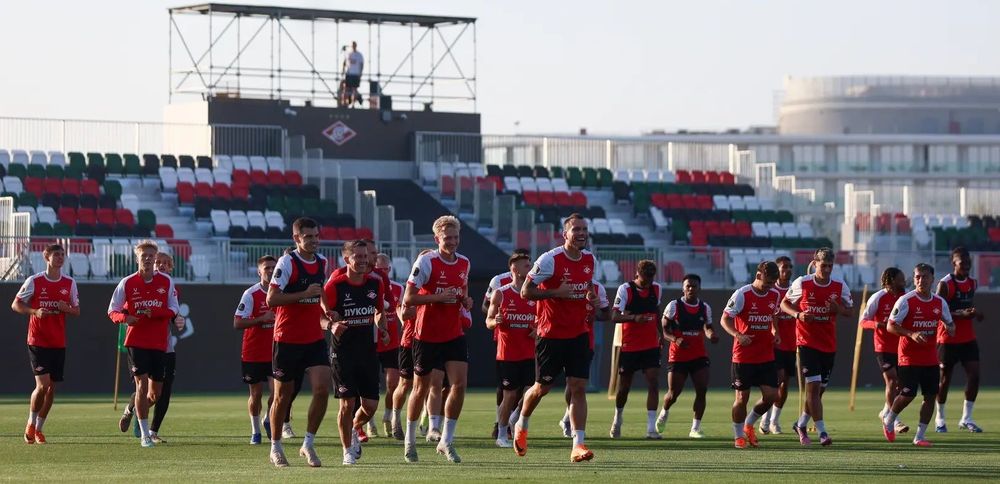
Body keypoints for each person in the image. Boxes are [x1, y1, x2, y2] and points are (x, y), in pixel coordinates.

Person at [515, 213, 597, 463]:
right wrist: (555, 292)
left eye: (584, 229)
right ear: (565, 234)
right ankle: (521, 423)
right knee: (542, 388)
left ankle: (578, 444)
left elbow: (585, 287)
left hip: (578, 333)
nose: (581, 233)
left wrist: (590, 297)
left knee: (578, 387)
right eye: (576, 230)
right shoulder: (550, 259)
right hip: (551, 335)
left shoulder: (590, 259)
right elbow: (525, 292)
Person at [403, 216, 472, 463]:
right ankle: (410, 440)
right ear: (437, 239)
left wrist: (465, 300)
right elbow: (409, 298)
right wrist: (437, 297)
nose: (452, 242)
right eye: (447, 238)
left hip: (453, 333)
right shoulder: (427, 261)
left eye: (455, 237)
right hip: (426, 334)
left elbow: (462, 290)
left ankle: (446, 440)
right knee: (420, 388)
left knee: (459, 385)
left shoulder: (464, 262)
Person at [266, 217, 331, 467]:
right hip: (287, 338)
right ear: (296, 238)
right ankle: (275, 446)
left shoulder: (322, 261)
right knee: (283, 396)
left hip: (314, 338)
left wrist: (327, 310)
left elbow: (320, 290)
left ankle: (308, 443)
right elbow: (272, 299)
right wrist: (303, 294)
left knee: (322, 389)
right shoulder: (288, 262)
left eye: (316, 236)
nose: (314, 241)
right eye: (308, 237)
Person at [107, 240, 179, 448]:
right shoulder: (127, 283)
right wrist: (125, 318)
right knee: (141, 385)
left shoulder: (166, 282)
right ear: (137, 258)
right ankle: (145, 435)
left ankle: (130, 410)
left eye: (151, 255)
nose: (147, 259)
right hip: (136, 341)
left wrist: (155, 313)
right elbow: (112, 310)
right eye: (144, 256)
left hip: (159, 343)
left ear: (155, 258)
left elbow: (174, 309)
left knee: (155, 394)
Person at [324, 240, 389, 465]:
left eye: (365, 256)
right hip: (343, 353)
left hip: (368, 352)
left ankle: (353, 428)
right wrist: (331, 325)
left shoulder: (375, 283)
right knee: (347, 404)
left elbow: (379, 311)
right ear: (346, 259)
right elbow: (320, 316)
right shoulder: (335, 285)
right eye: (358, 257)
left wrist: (383, 328)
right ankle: (347, 451)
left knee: (370, 406)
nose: (363, 260)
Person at [780, 247, 852, 446]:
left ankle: (801, 424)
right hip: (806, 343)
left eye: (830, 266)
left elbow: (850, 311)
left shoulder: (839, 286)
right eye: (823, 265)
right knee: (812, 388)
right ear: (815, 263)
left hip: (828, 345)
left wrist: (839, 309)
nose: (827, 270)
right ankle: (822, 432)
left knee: (818, 392)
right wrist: (798, 315)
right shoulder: (802, 283)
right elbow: (784, 304)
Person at [12, 244, 80, 445]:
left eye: (62, 254)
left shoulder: (69, 283)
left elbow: (76, 311)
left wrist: (66, 308)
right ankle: (30, 423)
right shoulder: (34, 281)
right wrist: (35, 311)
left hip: (58, 342)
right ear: (46, 257)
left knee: (51, 389)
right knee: (42, 386)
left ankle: (39, 429)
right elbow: (16, 304)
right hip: (38, 340)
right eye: (56, 254)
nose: (60, 257)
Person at [882, 263, 955, 447]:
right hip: (908, 357)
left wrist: (951, 327)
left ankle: (919, 436)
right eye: (917, 277)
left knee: (930, 396)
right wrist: (911, 334)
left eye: (924, 277)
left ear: (932, 279)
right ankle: (889, 419)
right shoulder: (906, 301)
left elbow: (949, 323)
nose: (921, 280)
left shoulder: (939, 302)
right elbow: (891, 326)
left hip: (930, 358)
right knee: (908, 395)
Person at [721, 261, 782, 449]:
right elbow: (725, 319)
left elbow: (773, 314)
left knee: (772, 396)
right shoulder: (742, 294)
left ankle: (749, 424)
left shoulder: (775, 294)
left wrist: (775, 330)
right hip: (743, 356)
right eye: (767, 282)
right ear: (758, 276)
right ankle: (738, 435)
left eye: (773, 283)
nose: (770, 287)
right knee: (742, 398)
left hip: (765, 354)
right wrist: (738, 335)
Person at [485, 252, 536, 448]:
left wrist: (538, 330)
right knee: (510, 395)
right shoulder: (501, 293)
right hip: (507, 353)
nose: (530, 269)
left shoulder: (534, 294)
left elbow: (542, 320)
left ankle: (514, 418)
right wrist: (495, 322)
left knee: (531, 392)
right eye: (526, 266)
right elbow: (489, 320)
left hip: (530, 352)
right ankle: (502, 434)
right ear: (514, 268)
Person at [657, 273, 716, 439]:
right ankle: (664, 413)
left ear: (699, 288)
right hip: (678, 356)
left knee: (702, 390)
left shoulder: (705, 308)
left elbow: (708, 327)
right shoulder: (673, 306)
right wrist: (675, 339)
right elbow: (664, 330)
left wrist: (711, 335)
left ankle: (695, 428)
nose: (691, 289)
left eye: (694, 286)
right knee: (673, 394)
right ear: (683, 288)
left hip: (699, 356)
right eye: (688, 286)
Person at [610, 260, 664, 440]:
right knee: (624, 387)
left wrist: (660, 333)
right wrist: (634, 318)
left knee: (653, 382)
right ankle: (617, 418)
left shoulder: (657, 289)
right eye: (645, 278)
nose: (648, 282)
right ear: (637, 274)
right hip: (630, 346)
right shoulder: (625, 289)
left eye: (651, 278)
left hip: (651, 345)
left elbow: (656, 311)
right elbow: (614, 316)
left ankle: (651, 428)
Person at [935, 247, 985, 433]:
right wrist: (960, 314)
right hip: (947, 338)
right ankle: (940, 418)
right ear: (953, 263)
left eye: (968, 262)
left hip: (968, 338)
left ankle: (966, 418)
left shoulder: (973, 283)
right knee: (944, 379)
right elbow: (937, 310)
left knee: (975, 375)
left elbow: (969, 307)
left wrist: (975, 314)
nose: (966, 265)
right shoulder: (945, 284)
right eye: (962, 262)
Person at [234, 255, 278, 445]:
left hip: (276, 351)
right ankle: (255, 431)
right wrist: (260, 319)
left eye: (273, 267)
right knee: (256, 394)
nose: (271, 271)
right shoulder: (251, 294)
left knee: (278, 393)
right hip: (253, 352)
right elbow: (237, 323)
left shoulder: (282, 293)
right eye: (267, 268)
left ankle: (268, 418)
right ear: (259, 271)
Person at [861, 267, 910, 434]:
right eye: (901, 279)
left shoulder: (906, 297)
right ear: (892, 280)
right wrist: (877, 324)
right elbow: (863, 321)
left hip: (902, 347)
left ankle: (885, 411)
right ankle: (893, 420)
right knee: (892, 380)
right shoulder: (878, 297)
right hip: (883, 347)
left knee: (901, 385)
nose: (904, 282)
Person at [146, 252, 188, 443]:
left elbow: (173, 311)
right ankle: (132, 409)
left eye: (166, 263)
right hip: (143, 344)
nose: (161, 266)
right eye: (158, 262)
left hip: (165, 346)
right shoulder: (141, 282)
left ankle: (153, 431)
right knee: (146, 390)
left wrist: (178, 319)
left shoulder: (171, 287)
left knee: (164, 391)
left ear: (171, 268)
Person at [558, 281, 610, 438]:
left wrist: (595, 312)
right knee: (544, 386)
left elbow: (606, 314)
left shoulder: (597, 288)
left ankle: (570, 420)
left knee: (576, 383)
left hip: (585, 341)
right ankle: (520, 420)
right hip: (560, 338)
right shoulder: (563, 282)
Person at [393, 249, 433, 440]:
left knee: (430, 384)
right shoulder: (410, 288)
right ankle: (395, 418)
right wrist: (426, 305)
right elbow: (403, 312)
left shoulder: (436, 287)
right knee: (405, 384)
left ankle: (427, 421)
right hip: (409, 341)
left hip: (430, 340)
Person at [759, 256, 794, 435]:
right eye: (783, 267)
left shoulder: (796, 289)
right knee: (776, 381)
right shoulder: (772, 291)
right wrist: (774, 331)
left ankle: (774, 420)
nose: (787, 270)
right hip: (776, 345)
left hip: (793, 345)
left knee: (785, 384)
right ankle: (765, 419)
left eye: (789, 267)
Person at [374, 253, 404, 438]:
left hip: (391, 342)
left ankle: (388, 417)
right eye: (380, 269)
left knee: (393, 382)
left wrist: (405, 324)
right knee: (369, 385)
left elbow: (400, 310)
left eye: (386, 269)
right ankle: (369, 423)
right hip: (371, 341)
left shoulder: (398, 288)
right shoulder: (368, 285)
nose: (383, 272)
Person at [341, 41, 364, 107]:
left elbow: (361, 65)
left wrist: (360, 73)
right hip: (349, 73)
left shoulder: (359, 55)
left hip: (356, 74)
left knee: (354, 89)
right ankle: (344, 102)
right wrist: (343, 71)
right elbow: (344, 63)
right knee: (346, 89)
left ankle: (353, 104)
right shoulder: (349, 54)